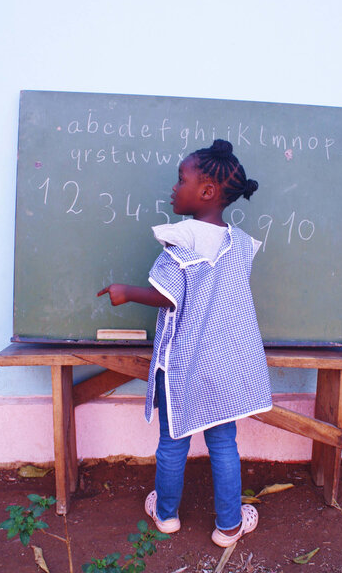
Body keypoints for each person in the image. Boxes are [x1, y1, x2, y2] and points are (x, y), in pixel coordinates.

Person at [98, 139, 272, 547]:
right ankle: (229, 525)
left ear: (207, 191)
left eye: (181, 180)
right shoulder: (241, 243)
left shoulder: (182, 240)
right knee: (224, 444)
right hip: (225, 365)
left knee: (172, 441)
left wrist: (127, 291)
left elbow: (168, 294)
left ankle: (167, 514)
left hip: (183, 364)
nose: (173, 188)